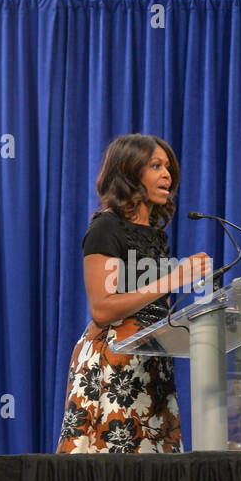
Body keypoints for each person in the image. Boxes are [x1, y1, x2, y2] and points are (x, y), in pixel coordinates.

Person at [56, 133, 211, 454]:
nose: (167, 174)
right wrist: (173, 278)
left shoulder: (157, 237)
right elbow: (102, 308)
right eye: (155, 166)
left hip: (153, 363)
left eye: (168, 166)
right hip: (114, 366)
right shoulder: (105, 228)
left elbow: (157, 308)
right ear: (129, 173)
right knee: (112, 471)